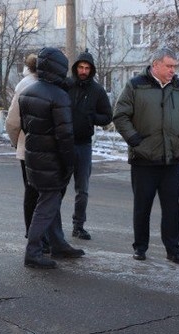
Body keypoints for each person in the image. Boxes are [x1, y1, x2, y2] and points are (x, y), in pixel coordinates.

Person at [113, 48, 179, 265]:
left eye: (174, 67)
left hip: (172, 158)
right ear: (156, 65)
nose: (173, 70)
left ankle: (173, 249)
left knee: (172, 208)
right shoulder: (135, 85)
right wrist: (135, 141)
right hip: (144, 159)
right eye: (169, 66)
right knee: (142, 206)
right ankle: (140, 247)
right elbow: (121, 115)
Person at [18, 47, 84, 269]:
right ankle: (33, 252)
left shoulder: (28, 91)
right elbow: (65, 136)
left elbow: (26, 127)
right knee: (46, 206)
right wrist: (69, 163)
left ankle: (57, 244)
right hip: (52, 161)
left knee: (47, 203)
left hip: (34, 157)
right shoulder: (59, 96)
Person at [67, 51, 113, 240]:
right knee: (57, 188)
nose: (83, 71)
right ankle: (50, 228)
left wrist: (91, 118)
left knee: (82, 189)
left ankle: (78, 225)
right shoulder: (66, 85)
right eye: (80, 67)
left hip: (84, 145)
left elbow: (107, 116)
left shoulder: (97, 90)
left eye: (87, 68)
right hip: (64, 143)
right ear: (76, 67)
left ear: (91, 70)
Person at [6, 53, 40, 240]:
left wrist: (16, 141)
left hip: (25, 146)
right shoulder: (52, 83)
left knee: (31, 189)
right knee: (43, 192)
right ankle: (41, 233)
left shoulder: (23, 85)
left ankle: (31, 230)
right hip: (42, 148)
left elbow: (12, 122)